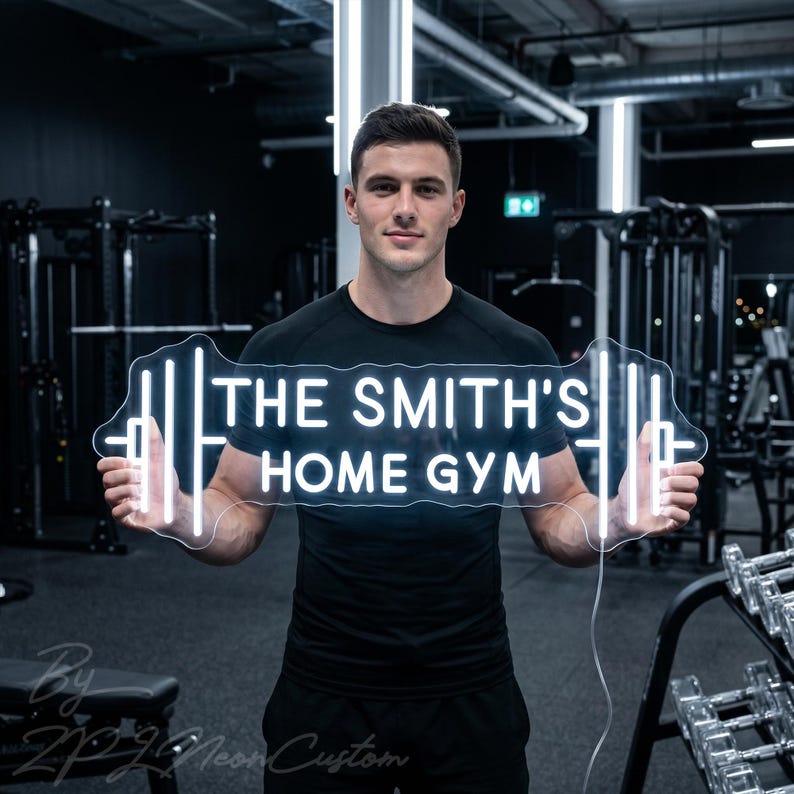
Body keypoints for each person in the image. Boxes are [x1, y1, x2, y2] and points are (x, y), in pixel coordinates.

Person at [98, 102, 703, 793]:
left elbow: (560, 513)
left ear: (457, 206)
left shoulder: (514, 352)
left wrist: (615, 521)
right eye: (384, 187)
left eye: (427, 188)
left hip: (470, 691)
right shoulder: (284, 352)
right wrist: (181, 516)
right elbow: (235, 514)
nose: (405, 207)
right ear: (353, 203)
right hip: (325, 692)